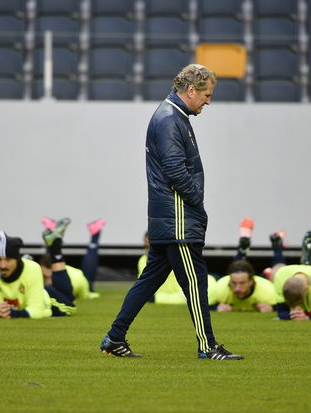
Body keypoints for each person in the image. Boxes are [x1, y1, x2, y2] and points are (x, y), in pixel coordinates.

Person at [100, 64, 243, 360]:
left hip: (168, 215)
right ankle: (208, 347)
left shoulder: (173, 115)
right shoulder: (169, 119)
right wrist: (197, 203)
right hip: (177, 217)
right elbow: (176, 170)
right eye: (207, 94)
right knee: (195, 282)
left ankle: (115, 337)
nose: (208, 100)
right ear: (191, 90)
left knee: (149, 280)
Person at [0, 227, 75, 319]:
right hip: (25, 296)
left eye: (8, 259)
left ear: (17, 260)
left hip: (45, 297)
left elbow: (37, 311)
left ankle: (55, 248)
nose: (2, 265)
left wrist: (12, 313)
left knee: (69, 305)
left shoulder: (33, 268)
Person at [39, 217, 105, 301]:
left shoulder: (77, 281)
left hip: (80, 280)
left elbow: (85, 295)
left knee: (88, 282)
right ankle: (94, 236)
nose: (48, 282)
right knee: (53, 257)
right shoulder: (45, 270)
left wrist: (92, 294)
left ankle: (94, 236)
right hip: (67, 271)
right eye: (44, 277)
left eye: (50, 277)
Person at [209, 259, 276, 312]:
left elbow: (283, 307)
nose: (237, 288)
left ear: (251, 282)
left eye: (242, 283)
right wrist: (216, 307)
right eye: (234, 283)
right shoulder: (219, 289)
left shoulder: (269, 291)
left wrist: (272, 308)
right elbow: (204, 306)